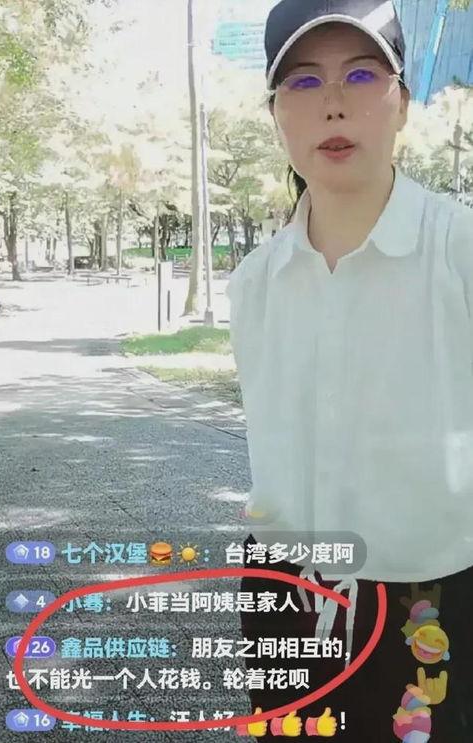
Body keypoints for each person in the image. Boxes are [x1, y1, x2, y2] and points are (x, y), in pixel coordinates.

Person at [226, 0, 473, 740]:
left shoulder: (456, 251)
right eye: (303, 82)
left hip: (427, 596)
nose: (332, 103)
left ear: (402, 103)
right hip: (283, 590)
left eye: (361, 75)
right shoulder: (255, 281)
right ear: (276, 115)